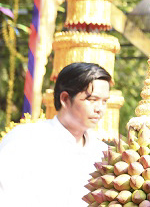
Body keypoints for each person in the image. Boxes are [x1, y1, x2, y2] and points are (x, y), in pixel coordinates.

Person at [0, 62, 111, 205]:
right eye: (92, 100)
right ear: (65, 99)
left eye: (104, 101)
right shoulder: (25, 140)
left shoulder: (103, 153)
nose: (100, 109)